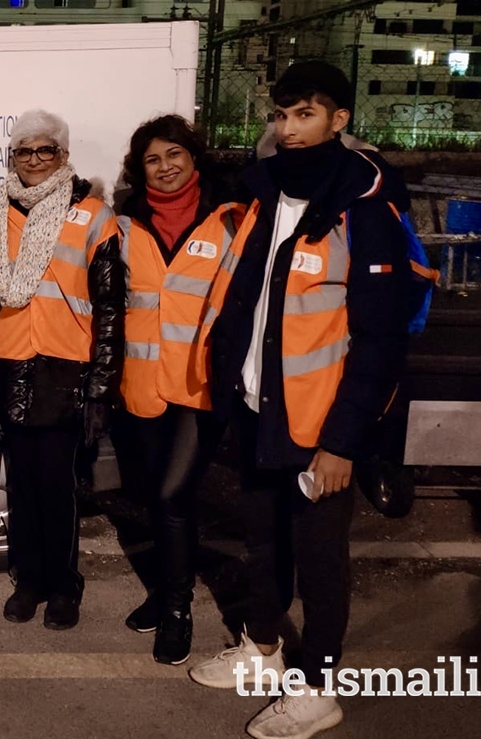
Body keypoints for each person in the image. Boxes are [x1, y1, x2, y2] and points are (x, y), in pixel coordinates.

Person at [188, 61, 412, 739]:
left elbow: (379, 339)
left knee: (319, 559)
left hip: (322, 430)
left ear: (339, 119)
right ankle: (263, 647)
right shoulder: (262, 194)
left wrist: (344, 441)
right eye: (281, 115)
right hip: (260, 413)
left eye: (304, 115)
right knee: (263, 542)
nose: (288, 129)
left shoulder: (365, 207)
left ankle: (318, 688)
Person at [0, 109, 124, 630]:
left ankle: (64, 585)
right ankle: (30, 580)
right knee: (23, 488)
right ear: (11, 157)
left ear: (63, 155)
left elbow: (109, 310)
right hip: (13, 368)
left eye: (46, 150)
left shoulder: (94, 216)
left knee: (59, 489)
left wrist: (101, 390)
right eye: (24, 151)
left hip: (67, 372)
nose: (34, 159)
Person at [113, 115, 241, 665]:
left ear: (193, 157)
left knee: (172, 496)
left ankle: (178, 609)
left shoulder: (231, 219)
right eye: (152, 160)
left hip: (198, 386)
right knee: (148, 496)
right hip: (141, 384)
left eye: (174, 155)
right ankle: (165, 589)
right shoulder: (124, 225)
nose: (165, 168)